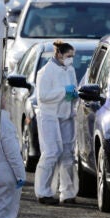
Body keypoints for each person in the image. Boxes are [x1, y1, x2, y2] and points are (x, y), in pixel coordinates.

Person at [34, 40, 79, 205]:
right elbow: (43, 96)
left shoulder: (70, 69)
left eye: (72, 56)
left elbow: (73, 87)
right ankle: (43, 192)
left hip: (66, 115)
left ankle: (67, 193)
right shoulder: (45, 72)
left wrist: (73, 94)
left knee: (68, 154)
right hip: (50, 116)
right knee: (51, 152)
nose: (71, 59)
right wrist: (63, 92)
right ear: (59, 54)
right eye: (68, 56)